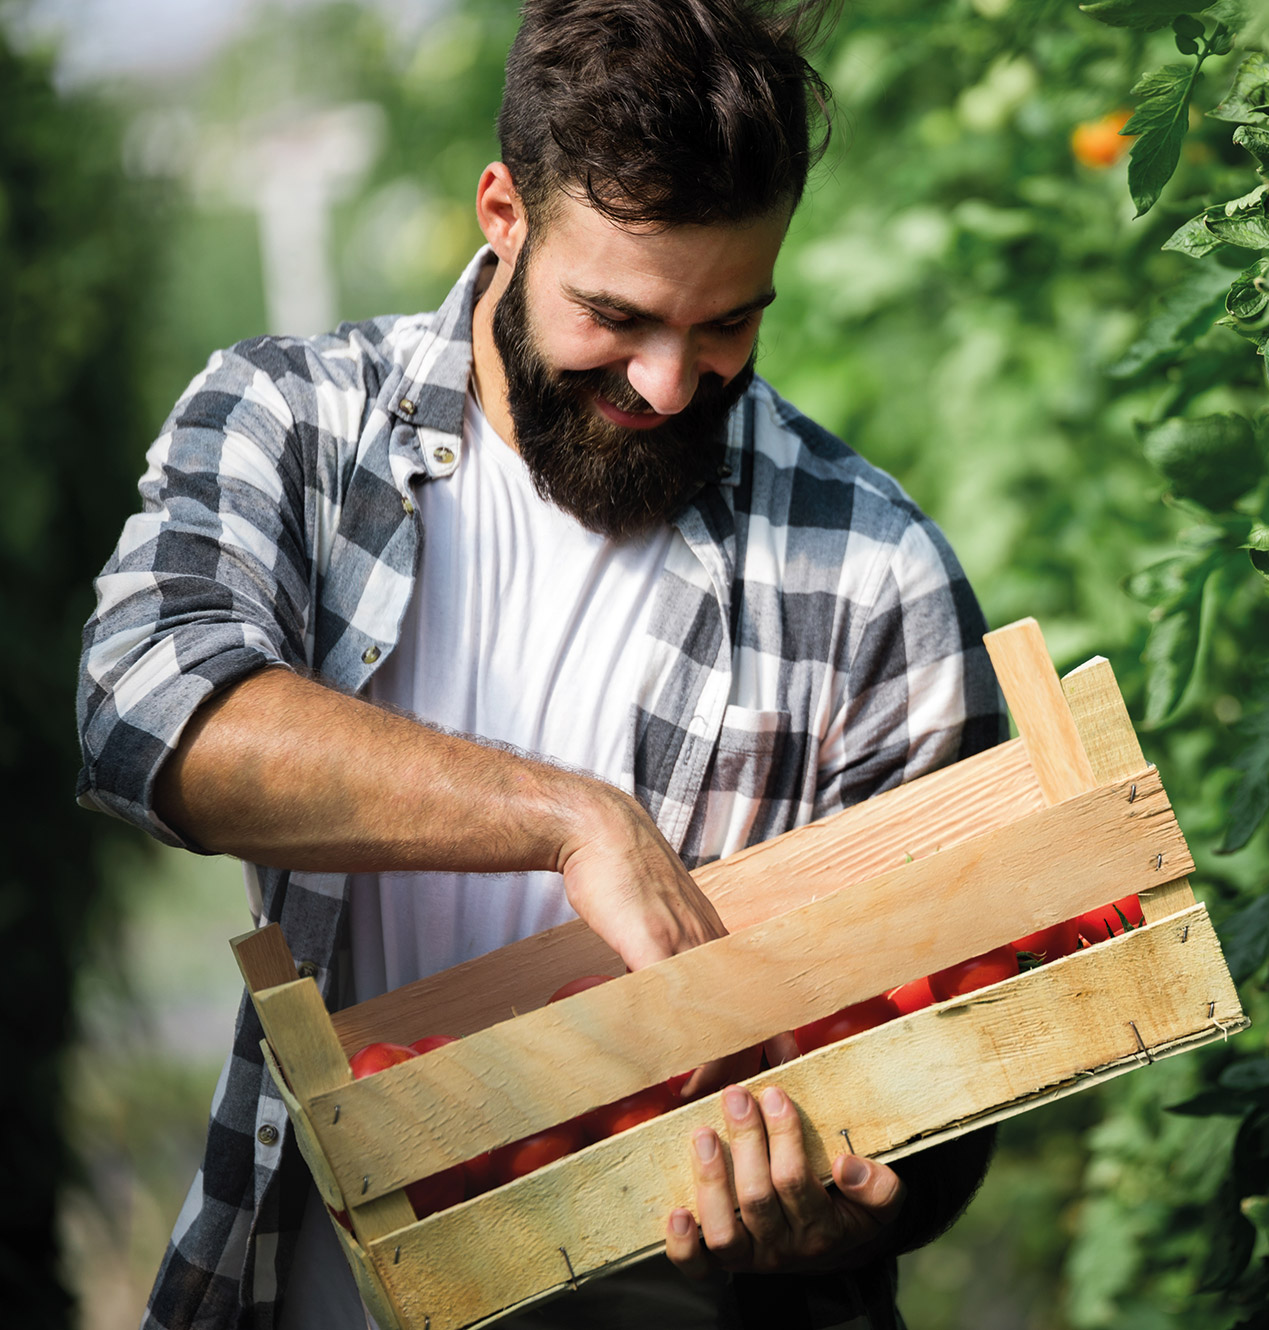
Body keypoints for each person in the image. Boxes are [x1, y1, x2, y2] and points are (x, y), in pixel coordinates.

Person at [74, 1, 1005, 1326]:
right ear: (502, 213)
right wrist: (573, 822)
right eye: (617, 317)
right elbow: (137, 708)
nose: (674, 381)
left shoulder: (871, 569)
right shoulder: (292, 423)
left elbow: (962, 1084)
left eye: (731, 323)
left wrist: (823, 1217)